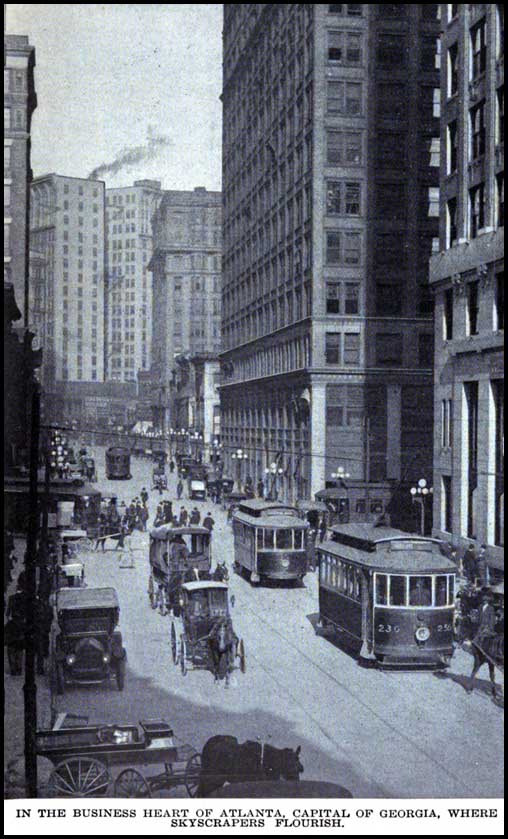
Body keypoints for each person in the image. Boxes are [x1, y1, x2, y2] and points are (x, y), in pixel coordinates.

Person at [5, 575, 26, 675]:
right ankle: (19, 668)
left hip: (13, 625)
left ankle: (13, 668)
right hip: (22, 625)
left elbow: (7, 614)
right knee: (20, 649)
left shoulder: (11, 598)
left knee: (11, 649)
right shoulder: (25, 599)